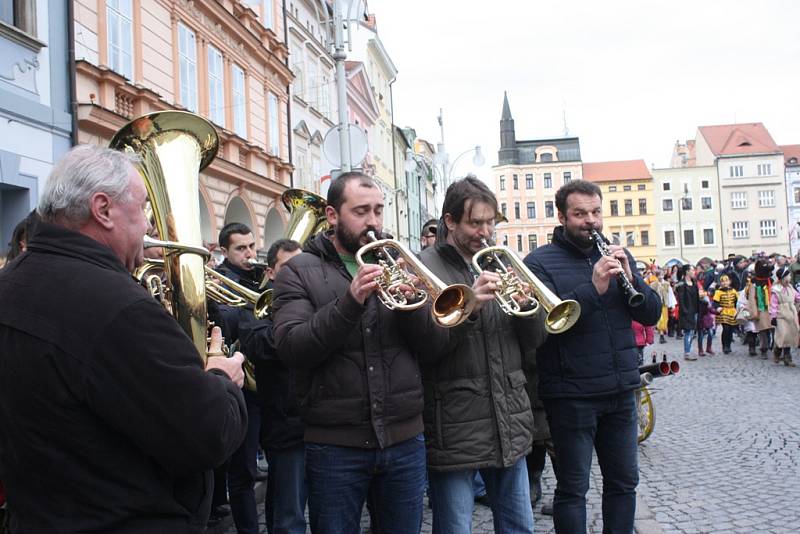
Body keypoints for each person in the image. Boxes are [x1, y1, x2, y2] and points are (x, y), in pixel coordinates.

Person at [0, 145, 248, 532]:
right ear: (103, 210)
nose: (150, 227)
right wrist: (220, 378)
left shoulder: (10, 283)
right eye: (144, 207)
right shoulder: (118, 307)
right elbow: (207, 435)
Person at [272, 171, 449, 534]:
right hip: (335, 443)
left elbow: (434, 348)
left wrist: (413, 305)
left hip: (404, 439)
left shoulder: (399, 262)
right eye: (361, 211)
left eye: (379, 211)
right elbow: (292, 348)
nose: (373, 222)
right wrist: (350, 301)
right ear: (332, 216)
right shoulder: (297, 272)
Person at [524, 179, 661, 534]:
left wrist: (633, 279)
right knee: (573, 489)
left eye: (596, 212)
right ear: (562, 216)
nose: (591, 221)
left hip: (620, 390)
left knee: (624, 482)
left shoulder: (618, 256)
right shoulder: (539, 263)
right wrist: (593, 288)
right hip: (571, 396)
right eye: (580, 214)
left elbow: (649, 314)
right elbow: (543, 325)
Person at [418, 176, 546, 534]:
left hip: (508, 417)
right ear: (450, 222)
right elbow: (427, 347)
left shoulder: (501, 262)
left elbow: (534, 340)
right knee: (456, 527)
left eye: (491, 222)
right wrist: (469, 307)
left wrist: (528, 306)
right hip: (454, 424)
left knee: (520, 526)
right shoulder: (427, 268)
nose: (485, 231)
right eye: (476, 223)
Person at [239, 238, 308, 534]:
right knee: (288, 516)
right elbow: (260, 344)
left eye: (302, 266)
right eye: (288, 267)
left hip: (323, 421)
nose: (298, 273)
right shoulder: (254, 306)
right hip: (285, 426)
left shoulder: (313, 300)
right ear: (270, 272)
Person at [209, 222, 266, 533]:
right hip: (241, 385)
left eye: (251, 246)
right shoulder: (215, 283)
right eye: (241, 248)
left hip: (266, 379)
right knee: (243, 470)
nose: (249, 254)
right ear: (224, 251)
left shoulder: (261, 278)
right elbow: (225, 329)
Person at [769, 266, 799, 367]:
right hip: (781, 315)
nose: (790, 277)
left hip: (790, 314)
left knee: (789, 336)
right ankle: (777, 351)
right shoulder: (776, 290)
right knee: (782, 335)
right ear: (784, 277)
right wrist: (773, 317)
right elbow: (773, 305)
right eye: (789, 275)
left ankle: (787, 358)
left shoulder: (790, 287)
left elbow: (797, 296)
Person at [748, 259, 775, 359]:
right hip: (761, 308)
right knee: (762, 330)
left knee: (773, 328)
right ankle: (764, 349)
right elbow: (752, 298)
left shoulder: (771, 281)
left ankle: (775, 347)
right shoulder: (754, 282)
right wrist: (754, 312)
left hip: (772, 308)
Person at [674, 265, 700, 361]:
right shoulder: (682, 284)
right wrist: (685, 311)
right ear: (687, 272)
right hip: (687, 312)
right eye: (692, 270)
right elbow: (681, 300)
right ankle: (687, 353)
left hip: (695, 310)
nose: (694, 272)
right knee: (688, 332)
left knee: (692, 332)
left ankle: (688, 351)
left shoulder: (694, 283)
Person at [713, 274, 738, 354]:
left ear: (729, 282)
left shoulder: (733, 291)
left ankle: (729, 344)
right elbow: (715, 302)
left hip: (732, 311)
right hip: (723, 311)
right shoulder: (718, 292)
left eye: (726, 281)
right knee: (726, 329)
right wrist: (718, 307)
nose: (724, 283)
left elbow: (737, 301)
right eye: (722, 281)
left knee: (730, 329)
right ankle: (725, 346)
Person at [696, 289, 718, 356]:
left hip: (708, 320)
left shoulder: (707, 301)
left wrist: (718, 312)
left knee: (710, 333)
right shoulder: (697, 301)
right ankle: (700, 350)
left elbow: (710, 309)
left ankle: (709, 348)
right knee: (701, 335)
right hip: (700, 319)